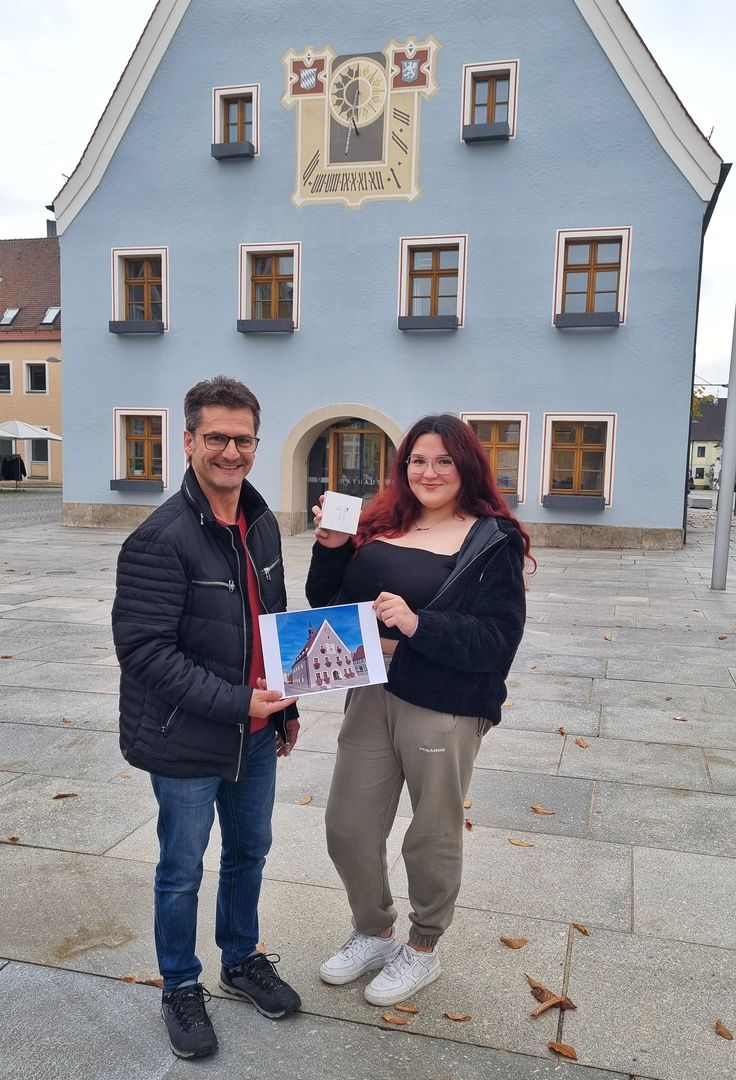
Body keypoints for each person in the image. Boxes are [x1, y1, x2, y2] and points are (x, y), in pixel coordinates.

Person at [306, 413, 532, 1007]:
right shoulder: (381, 526)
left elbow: (497, 642)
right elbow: (329, 608)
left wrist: (416, 624)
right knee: (348, 825)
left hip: (446, 704)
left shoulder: (490, 540)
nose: (428, 472)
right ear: (402, 468)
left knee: (430, 834)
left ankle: (423, 946)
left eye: (443, 461)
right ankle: (375, 931)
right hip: (371, 693)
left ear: (466, 467)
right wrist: (331, 550)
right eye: (417, 461)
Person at [112, 375, 301, 1060]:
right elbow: (143, 652)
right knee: (182, 869)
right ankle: (180, 985)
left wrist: (286, 707)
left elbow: (271, 623)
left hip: (254, 729)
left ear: (256, 444)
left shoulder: (260, 521)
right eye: (216, 437)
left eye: (242, 439)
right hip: (185, 737)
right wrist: (235, 702)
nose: (231, 450)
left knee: (250, 851)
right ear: (188, 441)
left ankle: (241, 958)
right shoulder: (159, 539)